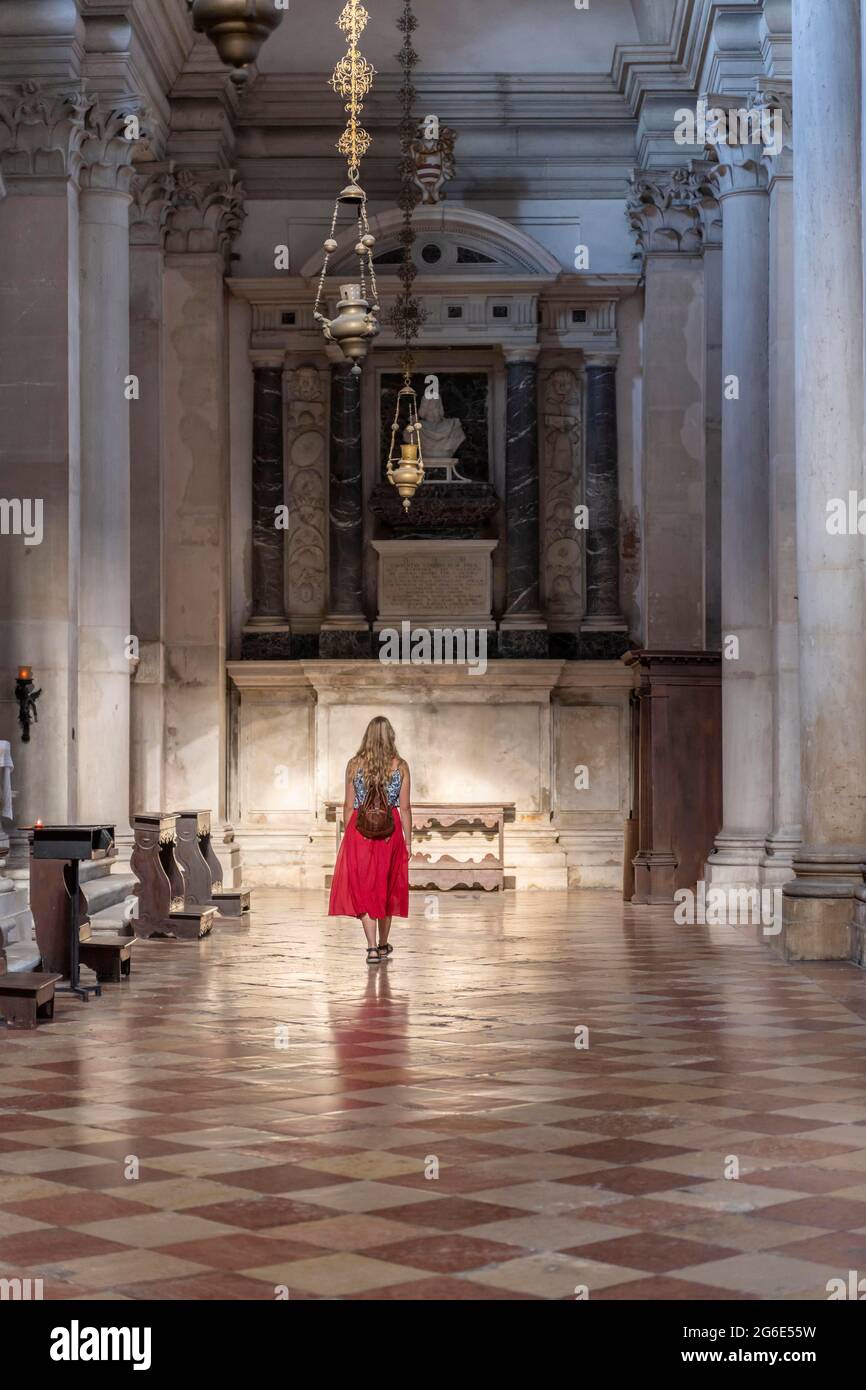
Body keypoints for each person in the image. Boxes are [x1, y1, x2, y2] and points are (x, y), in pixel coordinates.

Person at [328, 716, 411, 964]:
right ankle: (384, 944)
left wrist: (350, 833)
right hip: (391, 832)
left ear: (367, 736)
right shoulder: (401, 766)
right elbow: (405, 808)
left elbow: (347, 804)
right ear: (391, 736)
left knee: (363, 887)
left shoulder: (354, 765)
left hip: (359, 831)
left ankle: (372, 948)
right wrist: (409, 841)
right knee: (387, 886)